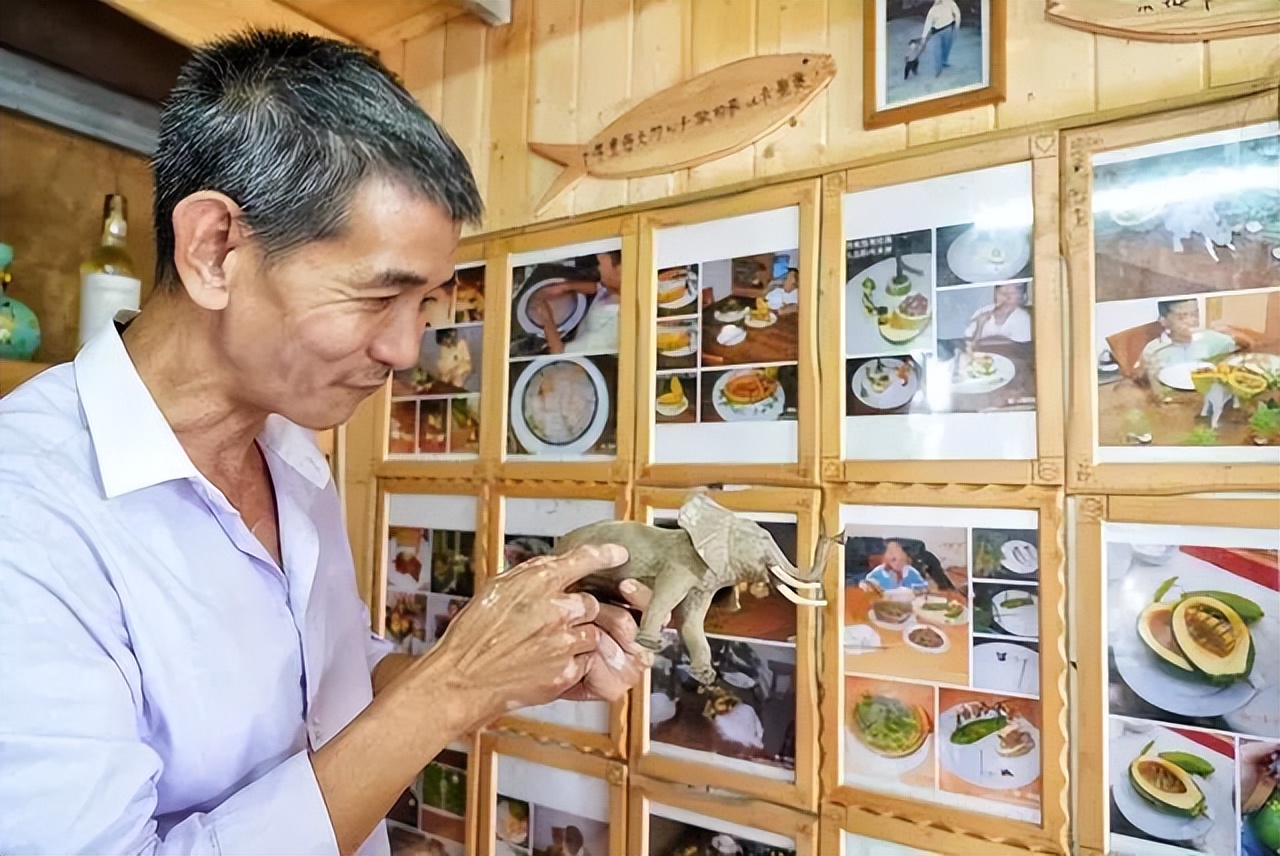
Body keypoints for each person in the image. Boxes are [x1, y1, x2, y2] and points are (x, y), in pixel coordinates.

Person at [0, 29, 655, 855]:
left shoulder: (290, 446)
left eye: (425, 304)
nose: (405, 349)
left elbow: (330, 676)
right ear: (215, 249)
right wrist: (451, 690)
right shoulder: (25, 511)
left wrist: (508, 659)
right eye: (379, 296)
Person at [1138, 297, 1253, 400]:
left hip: (1205, 396)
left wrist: (1230, 333)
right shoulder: (1154, 349)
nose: (1191, 321)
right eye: (1182, 317)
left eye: (1195, 314)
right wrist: (1146, 372)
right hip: (1174, 400)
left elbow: (1247, 345)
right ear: (1164, 321)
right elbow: (1139, 379)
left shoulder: (1207, 339)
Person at [527, 251, 622, 354]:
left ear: (620, 271)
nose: (598, 269)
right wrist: (565, 287)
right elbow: (598, 288)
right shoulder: (616, 288)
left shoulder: (613, 328)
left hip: (579, 358)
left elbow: (559, 352)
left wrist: (545, 317)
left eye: (600, 265)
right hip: (580, 330)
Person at [964, 282, 1032, 345]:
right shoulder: (982, 311)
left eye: (1015, 290)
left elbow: (1019, 349)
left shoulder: (1023, 319)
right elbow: (970, 345)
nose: (1006, 296)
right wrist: (980, 325)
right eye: (1001, 290)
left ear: (1023, 298)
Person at [860, 540, 930, 595]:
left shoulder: (911, 572)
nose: (898, 563)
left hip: (907, 604)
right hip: (884, 603)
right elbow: (867, 583)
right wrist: (867, 586)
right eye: (893, 560)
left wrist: (913, 589)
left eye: (902, 561)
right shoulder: (879, 571)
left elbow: (924, 587)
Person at [920, 0, 962, 77]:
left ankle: (944, 62)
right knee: (937, 50)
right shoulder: (933, 10)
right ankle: (938, 69)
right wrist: (923, 37)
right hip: (937, 32)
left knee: (947, 47)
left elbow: (957, 14)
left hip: (948, 28)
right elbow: (928, 23)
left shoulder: (950, 3)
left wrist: (957, 26)